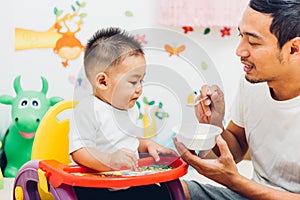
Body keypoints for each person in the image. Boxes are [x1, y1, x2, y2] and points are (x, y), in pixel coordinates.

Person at [174, 0, 300, 199]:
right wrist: (214, 126)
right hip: (248, 195)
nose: (239, 51)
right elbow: (237, 147)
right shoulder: (253, 82)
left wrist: (235, 181)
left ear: (294, 49)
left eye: (254, 42)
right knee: (167, 190)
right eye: (241, 36)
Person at [69, 27, 177, 200]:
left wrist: (147, 145)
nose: (140, 89)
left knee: (163, 194)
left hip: (129, 182)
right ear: (103, 82)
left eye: (142, 80)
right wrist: (110, 160)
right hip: (96, 186)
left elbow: (128, 141)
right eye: (133, 82)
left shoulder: (130, 109)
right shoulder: (88, 109)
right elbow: (79, 151)